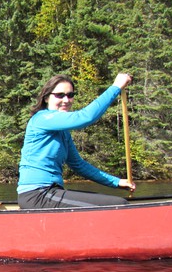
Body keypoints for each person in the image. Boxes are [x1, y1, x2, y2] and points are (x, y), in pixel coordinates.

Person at [17, 73, 135, 209]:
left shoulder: (63, 132)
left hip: (51, 192)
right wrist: (116, 87)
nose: (66, 100)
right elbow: (85, 117)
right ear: (46, 98)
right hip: (37, 194)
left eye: (70, 95)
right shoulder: (42, 119)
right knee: (120, 205)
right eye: (60, 95)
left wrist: (117, 182)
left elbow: (78, 165)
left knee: (116, 203)